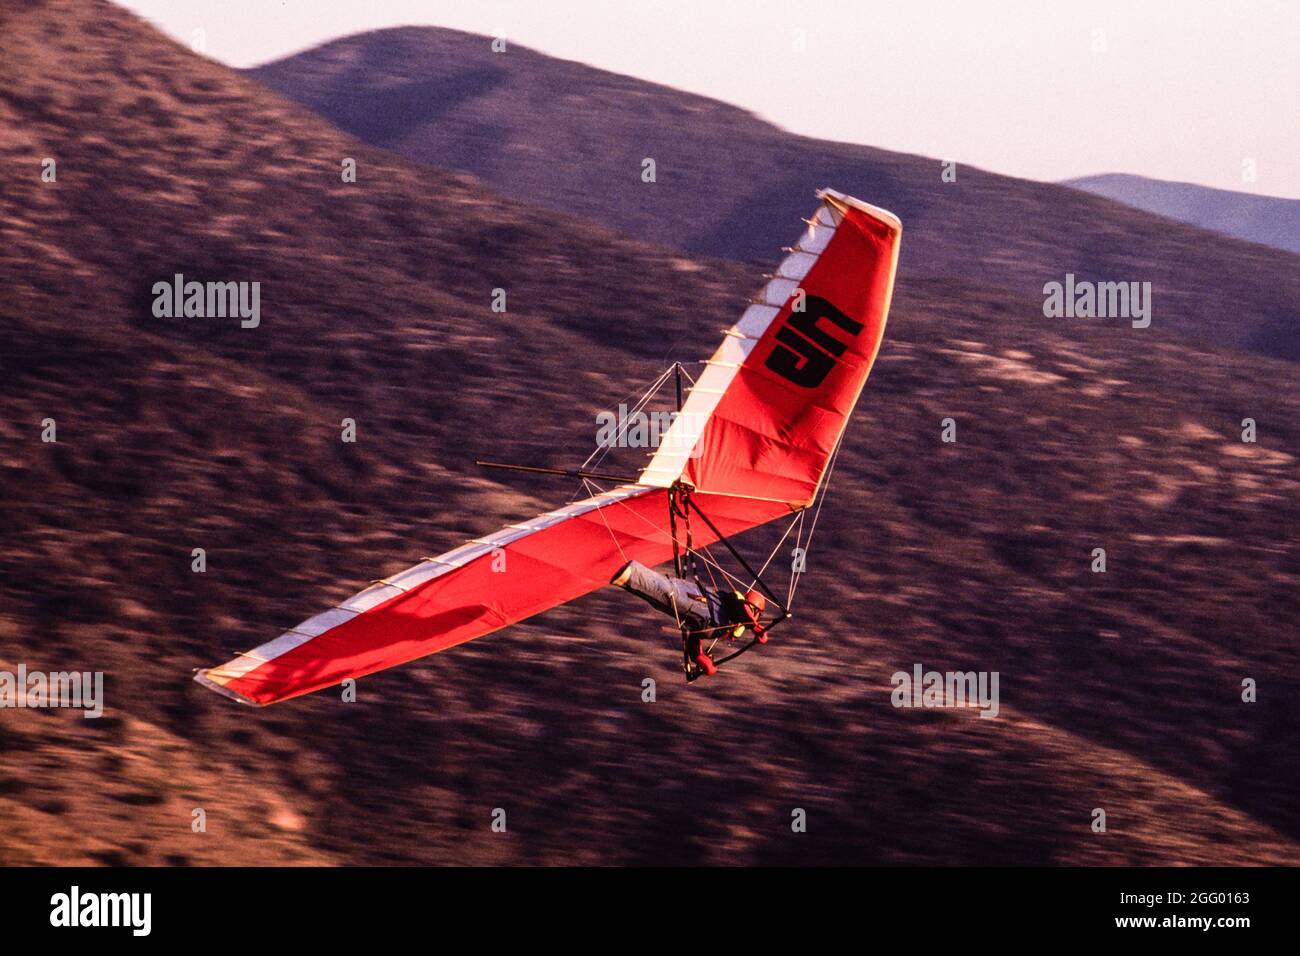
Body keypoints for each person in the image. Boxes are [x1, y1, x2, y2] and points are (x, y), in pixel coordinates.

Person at [610, 560, 767, 676]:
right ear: (752, 609)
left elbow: (694, 634)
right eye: (755, 614)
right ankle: (630, 572)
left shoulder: (726, 626)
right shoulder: (733, 604)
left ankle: (623, 578)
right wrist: (755, 627)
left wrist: (699, 657)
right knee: (668, 592)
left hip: (695, 612)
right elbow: (740, 608)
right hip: (699, 602)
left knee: (658, 600)